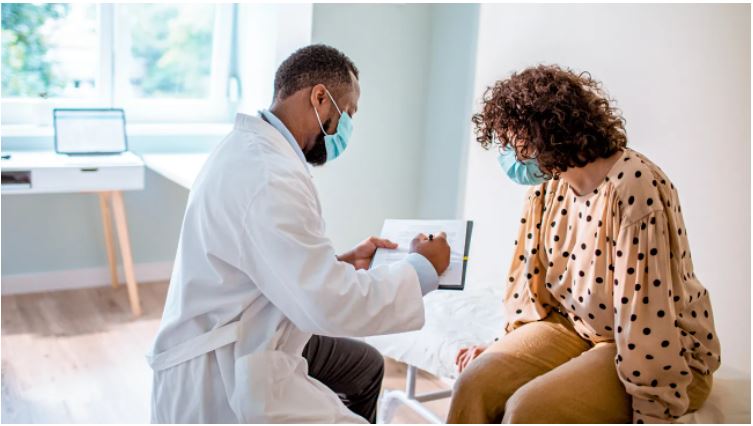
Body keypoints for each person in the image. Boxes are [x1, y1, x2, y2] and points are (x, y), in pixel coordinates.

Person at [148, 44, 451, 424]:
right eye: (349, 114)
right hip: (226, 365)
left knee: (364, 365)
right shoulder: (268, 176)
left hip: (255, 326)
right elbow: (329, 306)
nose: (347, 129)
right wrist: (420, 268)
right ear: (320, 98)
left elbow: (270, 260)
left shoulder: (253, 151)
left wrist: (339, 263)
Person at [447, 65, 720, 423]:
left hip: (657, 349)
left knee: (528, 410)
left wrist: (655, 409)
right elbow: (528, 289)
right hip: (574, 328)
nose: (510, 154)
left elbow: (646, 315)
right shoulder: (547, 188)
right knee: (473, 383)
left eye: (514, 141)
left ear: (548, 132)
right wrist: (503, 348)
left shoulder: (634, 188)